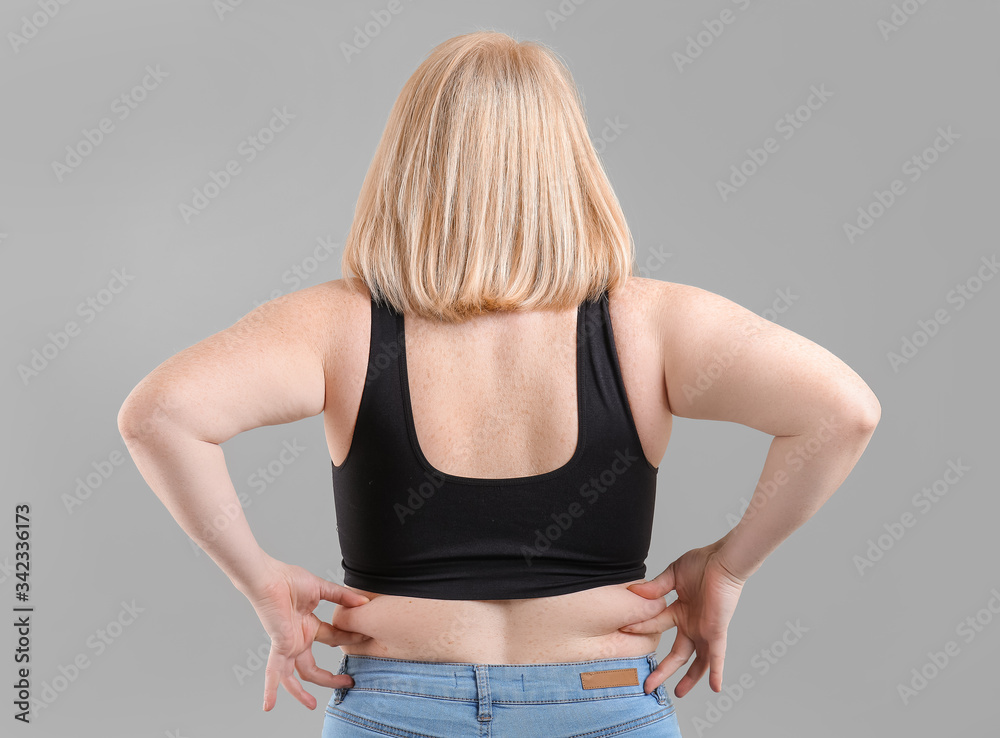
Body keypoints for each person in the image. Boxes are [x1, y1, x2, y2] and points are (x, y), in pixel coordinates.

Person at [117, 30, 880, 737]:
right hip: (603, 700)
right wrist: (728, 566)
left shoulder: (337, 325)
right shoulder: (652, 323)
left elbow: (159, 416)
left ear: (409, 162)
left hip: (397, 704)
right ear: (568, 165)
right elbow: (841, 412)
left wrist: (261, 582)